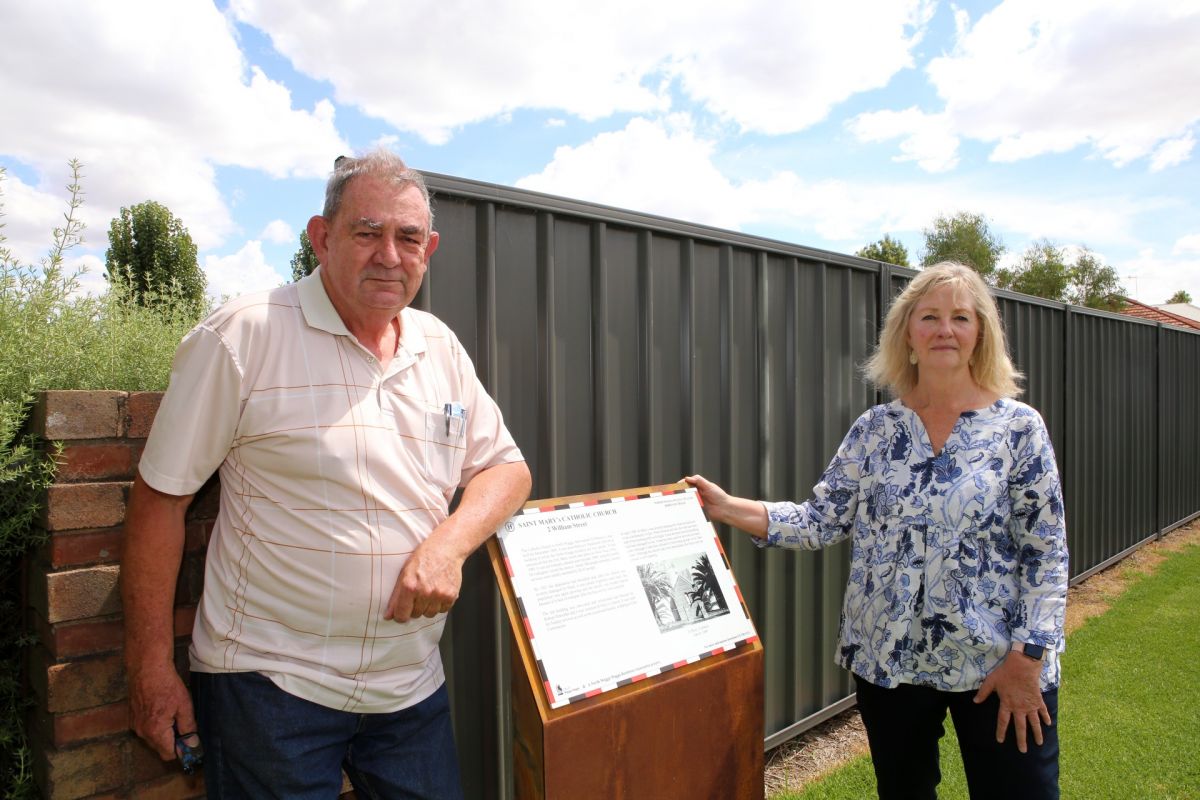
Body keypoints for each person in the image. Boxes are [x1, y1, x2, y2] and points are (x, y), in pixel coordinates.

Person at [122, 150, 532, 799]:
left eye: (407, 238)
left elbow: (506, 469)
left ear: (430, 247)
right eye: (368, 233)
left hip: (409, 688)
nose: (389, 257)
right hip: (270, 690)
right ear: (322, 236)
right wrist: (148, 667)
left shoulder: (439, 348)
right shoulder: (243, 336)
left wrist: (448, 545)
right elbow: (159, 500)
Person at [686, 261, 1068, 800]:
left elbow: (1046, 554)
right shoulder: (876, 429)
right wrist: (727, 508)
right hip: (889, 662)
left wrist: (1028, 660)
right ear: (907, 332)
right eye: (929, 316)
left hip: (996, 664)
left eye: (961, 317)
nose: (944, 330)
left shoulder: (1018, 429)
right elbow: (822, 519)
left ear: (980, 332)